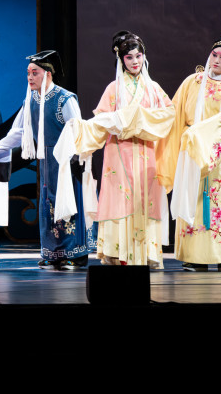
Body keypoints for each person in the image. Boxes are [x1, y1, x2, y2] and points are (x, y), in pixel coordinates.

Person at [53, 32, 175, 268]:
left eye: (138, 56)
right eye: (129, 57)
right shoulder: (114, 88)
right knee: (119, 199)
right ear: (121, 60)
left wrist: (137, 118)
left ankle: (146, 254)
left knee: (145, 199)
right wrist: (81, 129)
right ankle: (117, 254)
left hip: (145, 151)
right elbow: (101, 122)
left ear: (144, 56)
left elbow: (168, 115)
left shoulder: (154, 89)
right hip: (118, 152)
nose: (135, 61)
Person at [0, 50, 92, 269]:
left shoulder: (64, 98)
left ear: (48, 74)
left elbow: (78, 130)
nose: (30, 77)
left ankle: (75, 253)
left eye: (34, 73)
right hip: (46, 161)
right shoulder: (31, 100)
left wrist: (75, 158)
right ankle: (53, 253)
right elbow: (17, 133)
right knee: (48, 205)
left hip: (66, 160)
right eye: (28, 73)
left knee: (67, 204)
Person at [157, 34, 221, 272]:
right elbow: (175, 112)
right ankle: (192, 255)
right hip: (190, 149)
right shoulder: (193, 81)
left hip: (220, 152)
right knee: (194, 200)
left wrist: (199, 134)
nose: (216, 60)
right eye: (214, 55)